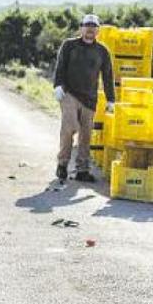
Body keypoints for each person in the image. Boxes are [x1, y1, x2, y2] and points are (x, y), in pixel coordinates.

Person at [53, 14, 115, 182]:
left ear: (97, 31)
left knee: (86, 134)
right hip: (69, 94)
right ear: (81, 29)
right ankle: (62, 164)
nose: (89, 30)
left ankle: (82, 170)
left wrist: (111, 99)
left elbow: (108, 76)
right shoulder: (69, 45)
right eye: (86, 27)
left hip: (89, 98)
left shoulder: (102, 51)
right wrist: (58, 85)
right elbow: (60, 66)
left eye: (93, 27)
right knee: (69, 128)